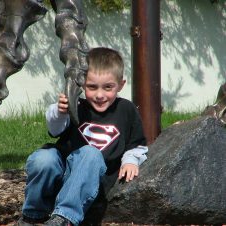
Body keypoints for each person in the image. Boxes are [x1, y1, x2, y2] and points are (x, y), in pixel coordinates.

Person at [17, 47, 148, 226]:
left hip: (90, 179)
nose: (100, 95)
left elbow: (137, 143)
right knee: (43, 158)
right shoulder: (77, 104)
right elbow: (55, 130)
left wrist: (131, 160)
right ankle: (33, 215)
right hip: (62, 170)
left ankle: (64, 218)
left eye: (108, 87)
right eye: (92, 87)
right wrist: (61, 112)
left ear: (121, 84)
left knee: (90, 153)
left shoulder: (126, 109)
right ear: (81, 84)